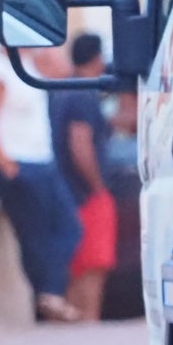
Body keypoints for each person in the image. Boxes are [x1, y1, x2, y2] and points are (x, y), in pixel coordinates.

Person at [0, 47, 83, 322]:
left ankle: (50, 293)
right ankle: (47, 297)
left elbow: (63, 70)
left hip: (42, 162)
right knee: (35, 235)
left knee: (69, 227)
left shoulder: (28, 66)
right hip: (19, 163)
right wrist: (8, 167)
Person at [51, 34, 118, 320]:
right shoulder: (83, 94)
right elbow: (80, 144)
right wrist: (97, 185)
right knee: (92, 262)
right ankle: (88, 319)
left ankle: (77, 322)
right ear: (97, 58)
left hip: (64, 191)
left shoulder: (63, 90)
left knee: (76, 264)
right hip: (84, 194)